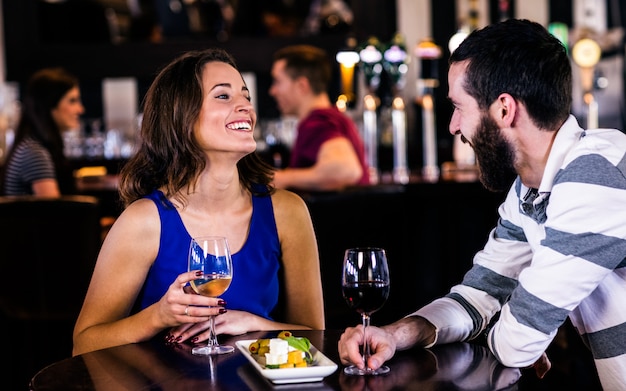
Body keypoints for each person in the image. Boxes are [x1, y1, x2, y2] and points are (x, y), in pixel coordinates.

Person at [338, 19, 626, 390]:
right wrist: (397, 334)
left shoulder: (595, 174)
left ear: (504, 109)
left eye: (459, 107)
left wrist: (518, 332)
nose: (453, 126)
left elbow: (517, 343)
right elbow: (480, 295)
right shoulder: (530, 189)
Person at [72, 48, 325, 355]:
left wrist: (250, 323)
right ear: (181, 117)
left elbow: (316, 337)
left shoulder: (287, 211)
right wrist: (157, 316)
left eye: (245, 95)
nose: (245, 105)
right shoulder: (144, 221)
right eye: (223, 96)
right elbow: (84, 343)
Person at [269, 44, 369, 191]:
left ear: (301, 86)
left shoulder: (317, 123)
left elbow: (346, 170)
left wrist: (282, 178)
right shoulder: (336, 118)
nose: (272, 91)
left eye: (277, 81)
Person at [1, 67, 84, 196]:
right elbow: (54, 212)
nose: (80, 109)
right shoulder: (34, 152)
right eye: (72, 101)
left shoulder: (33, 145)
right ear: (50, 106)